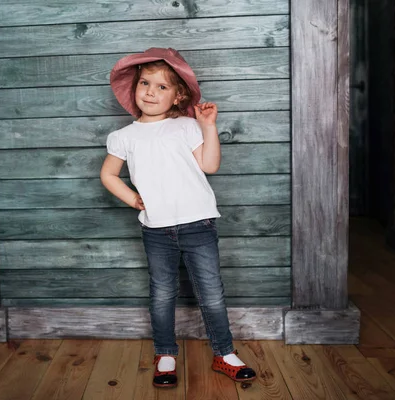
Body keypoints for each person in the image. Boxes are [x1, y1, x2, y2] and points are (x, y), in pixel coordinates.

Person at [100, 48, 257, 388]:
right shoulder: (124, 137)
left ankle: (224, 353)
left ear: (178, 96)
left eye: (161, 87)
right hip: (156, 230)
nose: (150, 92)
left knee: (211, 292)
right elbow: (109, 175)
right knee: (162, 294)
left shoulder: (186, 126)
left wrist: (209, 127)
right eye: (144, 83)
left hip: (199, 224)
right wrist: (133, 199)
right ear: (135, 88)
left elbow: (210, 165)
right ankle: (165, 354)